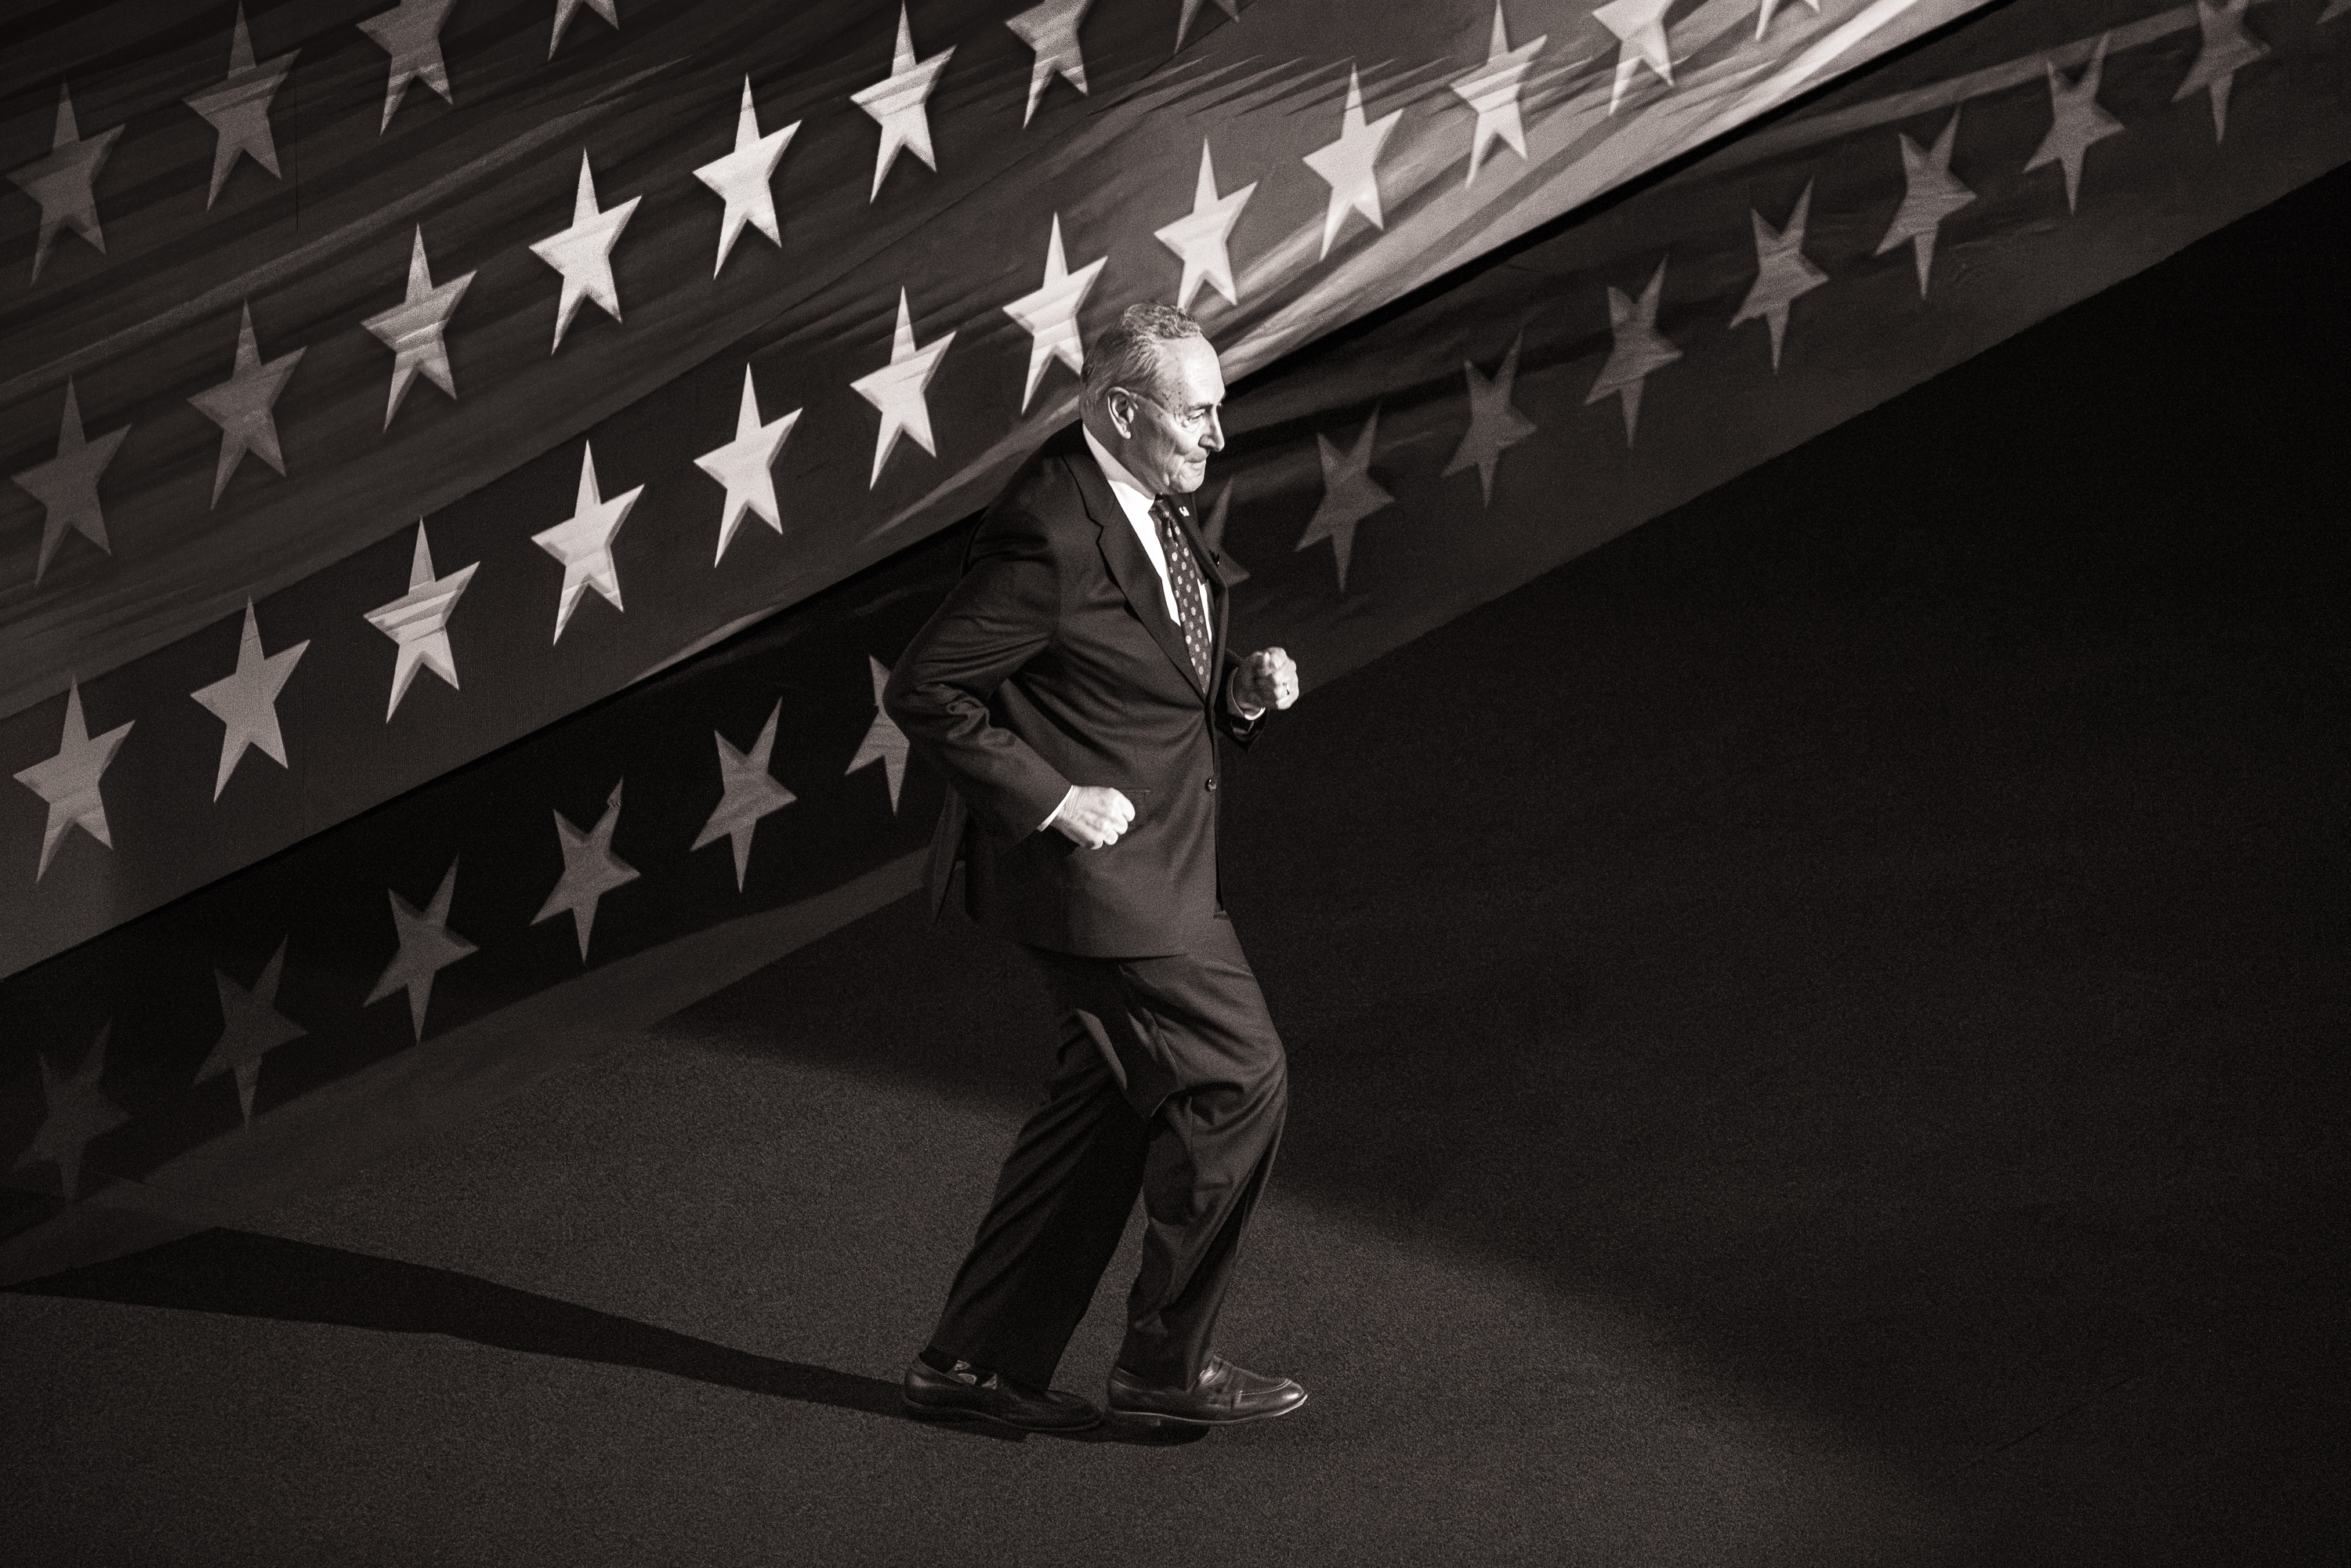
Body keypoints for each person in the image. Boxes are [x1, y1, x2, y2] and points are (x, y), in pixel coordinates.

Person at [882, 302, 1306, 1433]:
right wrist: (1053, 799)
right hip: (1102, 885)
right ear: (1124, 412)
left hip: (1161, 858)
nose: (1218, 433)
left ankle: (970, 1362)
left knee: (1111, 1106)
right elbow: (927, 688)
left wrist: (1237, 698)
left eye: (1218, 405)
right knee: (1237, 1077)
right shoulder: (1050, 532)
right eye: (1197, 411)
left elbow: (1141, 665)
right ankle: (1165, 1364)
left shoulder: (1145, 497)